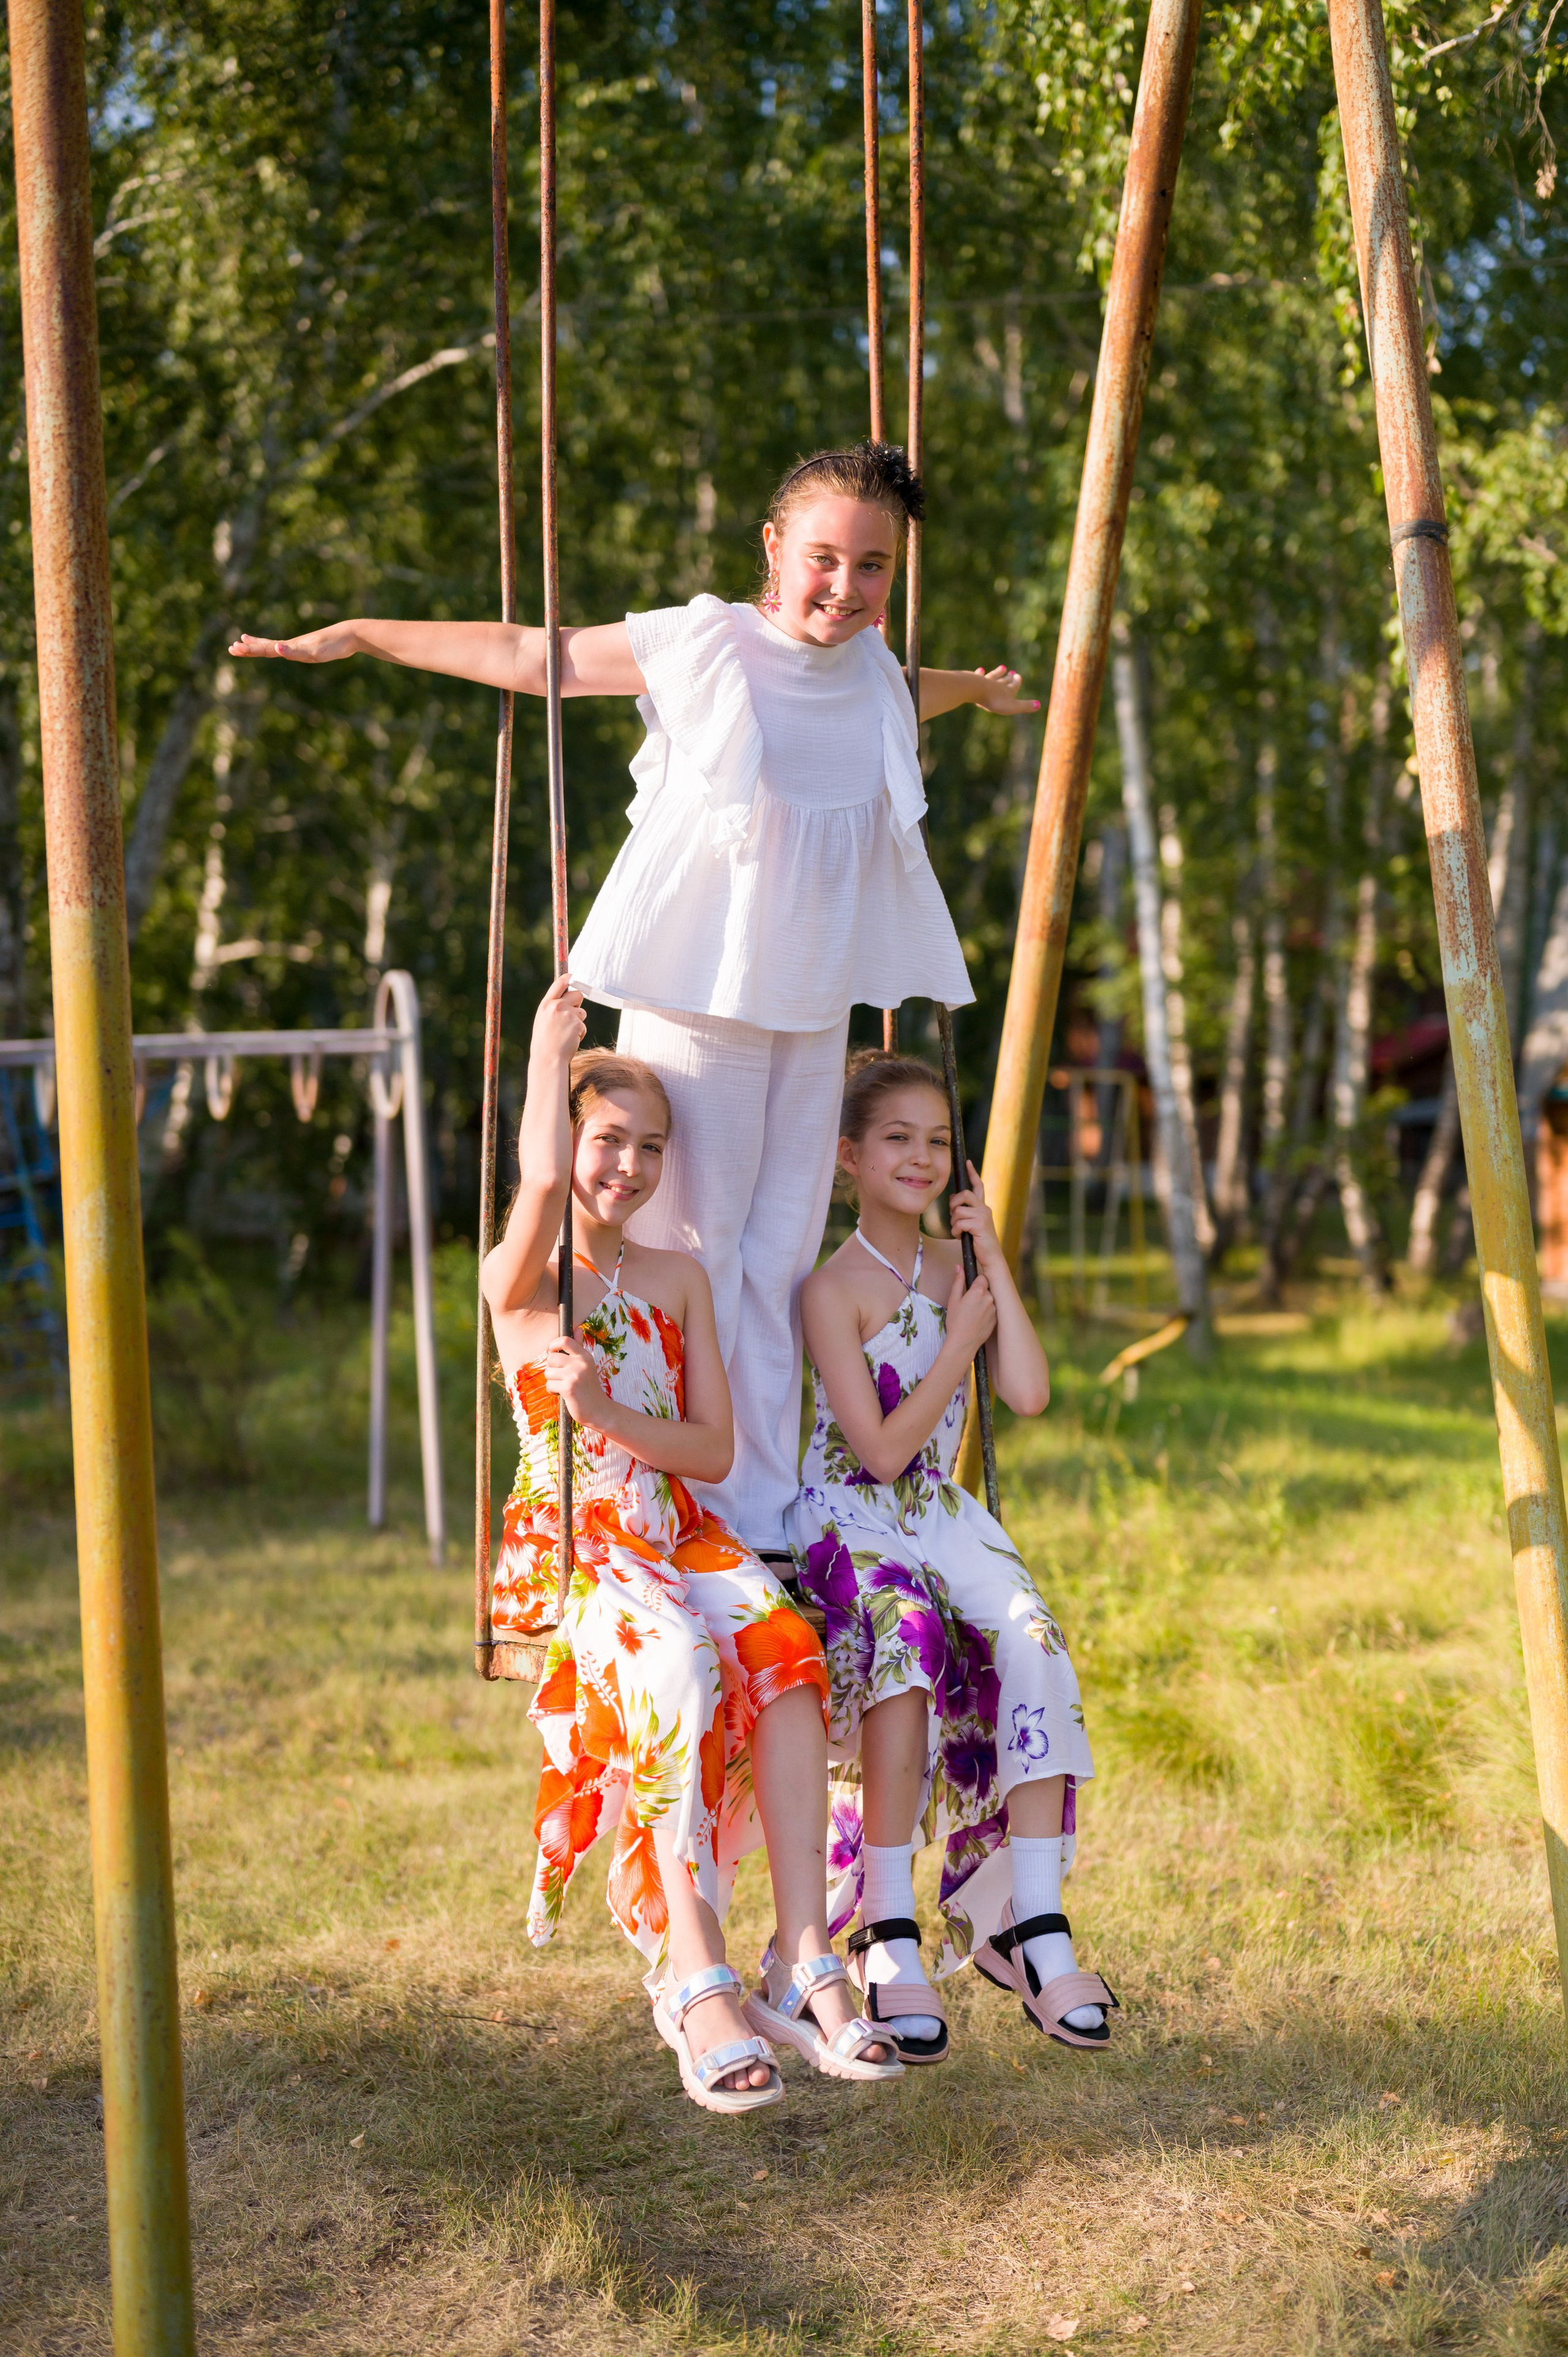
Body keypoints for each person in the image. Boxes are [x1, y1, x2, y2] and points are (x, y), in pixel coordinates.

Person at [230, 440, 1036, 1563]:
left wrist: (982, 693)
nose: (844, 589)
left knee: (781, 1262)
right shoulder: (706, 643)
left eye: (873, 568)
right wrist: (364, 633)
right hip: (697, 1001)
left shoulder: (877, 677)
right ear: (772, 547)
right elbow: (534, 654)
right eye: (822, 560)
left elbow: (912, 692)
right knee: (691, 1252)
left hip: (811, 1016)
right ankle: (681, 1502)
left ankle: (759, 1514)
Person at [477, 977, 902, 2112]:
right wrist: (542, 1058)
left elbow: (712, 1447)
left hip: (682, 1526)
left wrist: (612, 1413)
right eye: (609, 1141)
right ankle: (692, 1971)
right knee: (674, 1663)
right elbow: (536, 1184)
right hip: (588, 1551)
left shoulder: (675, 1279)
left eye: (652, 1149)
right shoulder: (527, 1284)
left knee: (783, 1647)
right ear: (571, 1140)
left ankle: (807, 1949)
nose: (630, 1169)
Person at [788, 1051, 1116, 2061]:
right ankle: (887, 1932)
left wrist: (992, 1267)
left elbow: (1028, 1392)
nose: (922, 1157)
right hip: (852, 1515)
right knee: (909, 1639)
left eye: (938, 1141)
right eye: (898, 1138)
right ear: (849, 1157)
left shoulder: (958, 1272)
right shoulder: (829, 1289)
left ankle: (1033, 1920)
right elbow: (881, 1452)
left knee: (1035, 1638)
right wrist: (956, 1347)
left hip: (941, 1513)